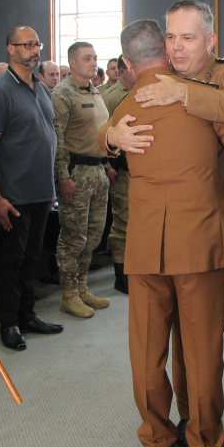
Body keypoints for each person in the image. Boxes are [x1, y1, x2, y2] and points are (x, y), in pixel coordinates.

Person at [98, 19, 224, 447]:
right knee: (202, 349)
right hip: (202, 246)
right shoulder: (200, 103)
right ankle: (204, 445)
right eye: (173, 39)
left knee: (147, 352)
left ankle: (156, 440)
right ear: (165, 51)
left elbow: (104, 137)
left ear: (128, 65)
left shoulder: (127, 106)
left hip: (145, 249)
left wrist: (110, 137)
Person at [0, 26, 63, 351]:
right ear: (10, 49)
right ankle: (9, 323)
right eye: (27, 45)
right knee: (12, 261)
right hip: (13, 194)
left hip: (41, 191)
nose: (34, 49)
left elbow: (47, 137)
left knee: (33, 257)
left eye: (37, 44)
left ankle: (28, 314)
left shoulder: (39, 87)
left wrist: (51, 185)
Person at [51, 41, 112, 318]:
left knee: (93, 236)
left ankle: (83, 287)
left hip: (97, 171)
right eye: (87, 58)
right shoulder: (63, 93)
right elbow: (57, 140)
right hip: (76, 173)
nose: (93, 62)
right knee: (73, 237)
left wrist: (106, 163)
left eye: (95, 57)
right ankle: (69, 295)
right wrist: (62, 177)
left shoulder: (94, 90)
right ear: (72, 63)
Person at [99, 54, 136, 294]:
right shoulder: (111, 97)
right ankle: (121, 275)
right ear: (122, 71)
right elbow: (101, 134)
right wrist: (108, 166)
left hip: (141, 171)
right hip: (121, 170)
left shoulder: (143, 92)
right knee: (123, 223)